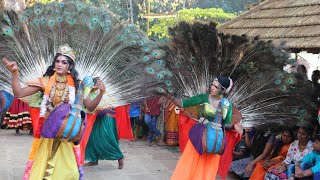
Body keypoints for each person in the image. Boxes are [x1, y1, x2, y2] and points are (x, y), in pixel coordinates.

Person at [1, 44, 105, 179]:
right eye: (57, 61)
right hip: (49, 132)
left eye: (64, 62)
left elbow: (90, 107)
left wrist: (101, 93)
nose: (59, 64)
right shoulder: (45, 81)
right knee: (43, 169)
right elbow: (19, 92)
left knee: (69, 172)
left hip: (65, 134)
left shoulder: (77, 84)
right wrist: (15, 73)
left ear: (70, 66)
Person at [169, 76, 234, 180]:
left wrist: (234, 126)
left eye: (216, 87)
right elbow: (183, 104)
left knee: (207, 168)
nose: (212, 87)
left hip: (213, 140)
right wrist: (170, 97)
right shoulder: (203, 97)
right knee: (190, 163)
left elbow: (227, 124)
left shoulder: (227, 104)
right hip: (198, 136)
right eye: (212, 84)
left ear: (223, 90)